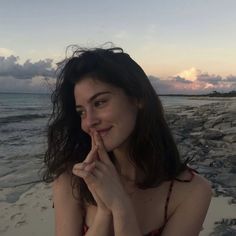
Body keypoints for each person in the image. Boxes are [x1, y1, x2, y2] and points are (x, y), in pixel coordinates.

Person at [43, 46, 212, 236]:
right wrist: (105, 213)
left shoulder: (192, 191)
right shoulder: (72, 179)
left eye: (99, 103)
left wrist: (121, 206)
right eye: (81, 112)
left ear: (137, 97)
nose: (89, 122)